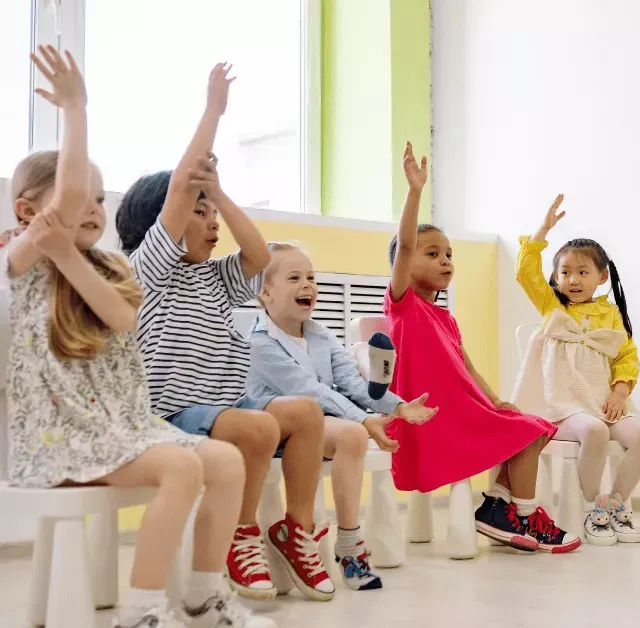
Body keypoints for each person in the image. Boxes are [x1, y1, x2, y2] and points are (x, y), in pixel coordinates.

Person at [3, 46, 272, 628]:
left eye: (101, 198)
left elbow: (121, 320)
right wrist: (75, 108)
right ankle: (144, 612)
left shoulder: (109, 268)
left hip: (119, 427)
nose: (92, 207)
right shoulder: (16, 264)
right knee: (180, 468)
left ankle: (204, 596)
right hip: (58, 438)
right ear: (27, 211)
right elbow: (69, 199)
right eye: (80, 198)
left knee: (224, 461)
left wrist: (67, 256)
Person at [115, 64, 332, 601]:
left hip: (227, 403)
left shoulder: (214, 275)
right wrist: (213, 113)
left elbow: (260, 256)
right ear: (162, 221)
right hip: (172, 411)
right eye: (200, 213)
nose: (214, 225)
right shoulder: (150, 268)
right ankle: (240, 533)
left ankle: (295, 530)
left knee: (305, 413)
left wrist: (220, 194)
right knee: (257, 429)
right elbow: (178, 191)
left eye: (214, 215)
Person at [384, 143, 580, 554]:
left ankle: (498, 507)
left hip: (466, 411)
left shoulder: (445, 319)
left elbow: (466, 367)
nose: (446, 261)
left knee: (533, 427)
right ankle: (524, 516)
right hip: (433, 418)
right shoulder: (402, 305)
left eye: (449, 255)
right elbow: (403, 246)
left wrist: (495, 400)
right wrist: (415, 192)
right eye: (433, 253)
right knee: (528, 433)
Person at [246, 241, 438, 589]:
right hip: (274, 430)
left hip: (322, 426)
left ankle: (349, 543)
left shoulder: (320, 335)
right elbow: (311, 390)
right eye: (294, 278)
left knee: (350, 435)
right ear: (266, 293)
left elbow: (351, 381)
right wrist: (364, 420)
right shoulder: (260, 344)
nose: (308, 285)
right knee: (352, 430)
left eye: (310, 277)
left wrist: (396, 406)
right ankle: (325, 540)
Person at [510, 194, 640, 545]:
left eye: (582, 271)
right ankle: (594, 506)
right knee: (595, 433)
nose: (573, 279)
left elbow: (626, 356)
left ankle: (616, 504)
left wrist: (621, 392)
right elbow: (523, 272)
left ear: (602, 276)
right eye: (565, 272)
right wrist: (542, 230)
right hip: (563, 404)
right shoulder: (552, 306)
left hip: (605, 401)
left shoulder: (611, 315)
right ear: (556, 277)